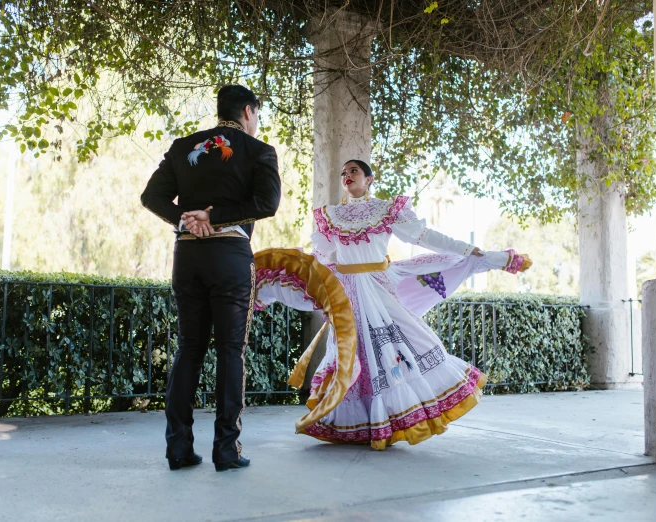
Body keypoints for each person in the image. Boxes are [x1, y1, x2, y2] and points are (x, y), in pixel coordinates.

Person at [253, 160, 530, 450]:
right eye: (343, 172)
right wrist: (301, 267)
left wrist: (463, 248)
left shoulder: (387, 210)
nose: (347, 176)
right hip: (345, 292)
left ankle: (390, 420)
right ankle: (356, 423)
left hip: (378, 286)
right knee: (351, 351)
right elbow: (322, 254)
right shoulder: (330, 215)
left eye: (354, 171)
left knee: (397, 344)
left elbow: (423, 236)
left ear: (370, 179)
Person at [141, 85, 281, 471]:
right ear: (249, 111)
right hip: (230, 257)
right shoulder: (259, 151)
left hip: (187, 254)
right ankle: (226, 450)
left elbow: (151, 197)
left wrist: (188, 220)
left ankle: (178, 449)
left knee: (189, 348)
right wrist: (214, 219)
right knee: (230, 351)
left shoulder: (183, 146)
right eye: (257, 114)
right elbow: (267, 204)